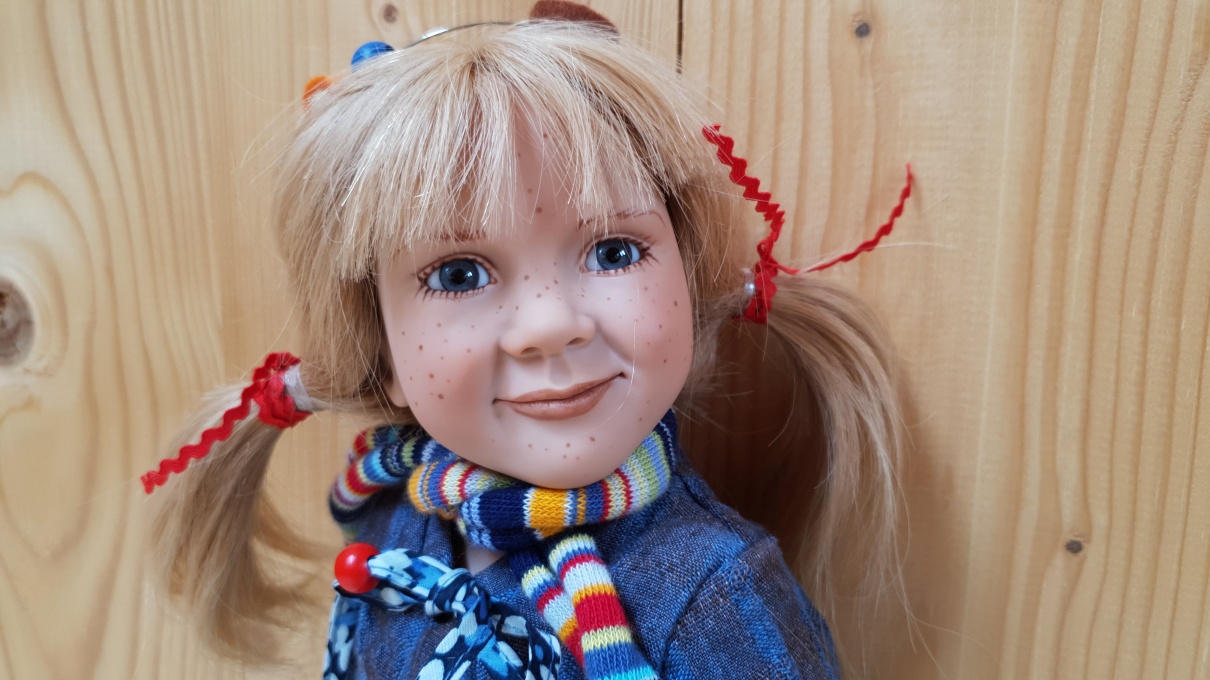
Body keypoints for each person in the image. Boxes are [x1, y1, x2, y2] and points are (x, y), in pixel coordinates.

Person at [146, 2, 909, 678]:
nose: (549, 325)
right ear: (380, 347)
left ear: (687, 279)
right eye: (458, 274)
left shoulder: (713, 602)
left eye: (614, 251)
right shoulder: (392, 517)